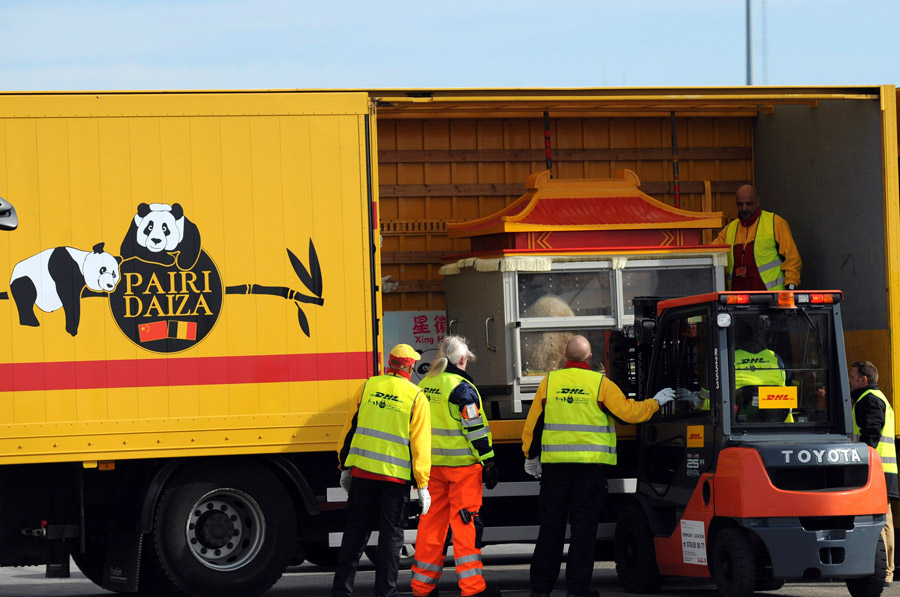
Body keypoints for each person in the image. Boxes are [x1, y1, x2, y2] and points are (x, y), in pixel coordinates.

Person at [521, 335, 675, 597]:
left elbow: (534, 423)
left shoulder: (550, 382)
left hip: (556, 469)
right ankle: (578, 590)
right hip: (590, 470)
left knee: (551, 529)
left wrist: (530, 455)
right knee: (583, 530)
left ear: (565, 358)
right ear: (590, 358)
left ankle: (540, 590)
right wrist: (657, 402)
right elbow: (628, 414)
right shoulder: (601, 384)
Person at [332, 344, 432, 597]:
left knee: (354, 535)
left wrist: (345, 466)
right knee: (390, 539)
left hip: (363, 475)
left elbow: (349, 429)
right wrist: (422, 484)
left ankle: (341, 591)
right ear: (410, 366)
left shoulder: (367, 387)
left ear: (390, 362)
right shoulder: (416, 396)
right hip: (394, 480)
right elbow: (420, 444)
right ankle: (385, 594)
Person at [411, 336, 500, 597]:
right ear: (463, 360)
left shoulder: (425, 384)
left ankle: (422, 588)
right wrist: (489, 461)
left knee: (430, 528)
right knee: (465, 527)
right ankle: (472, 589)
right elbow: (474, 429)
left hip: (432, 469)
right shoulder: (461, 388)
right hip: (461, 471)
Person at [849, 360, 898, 586]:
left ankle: (887, 570)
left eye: (852, 377)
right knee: (883, 518)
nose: (849, 381)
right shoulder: (875, 398)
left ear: (863, 380)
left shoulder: (869, 400)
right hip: (881, 468)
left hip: (875, 469)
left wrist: (859, 462)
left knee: (882, 520)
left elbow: (871, 435)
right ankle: (885, 569)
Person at [713, 184, 801, 291]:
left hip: (772, 299)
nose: (744, 209)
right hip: (738, 300)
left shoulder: (775, 223)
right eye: (740, 204)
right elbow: (709, 253)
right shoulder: (730, 229)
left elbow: (792, 259)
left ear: (758, 202)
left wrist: (791, 286)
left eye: (749, 204)